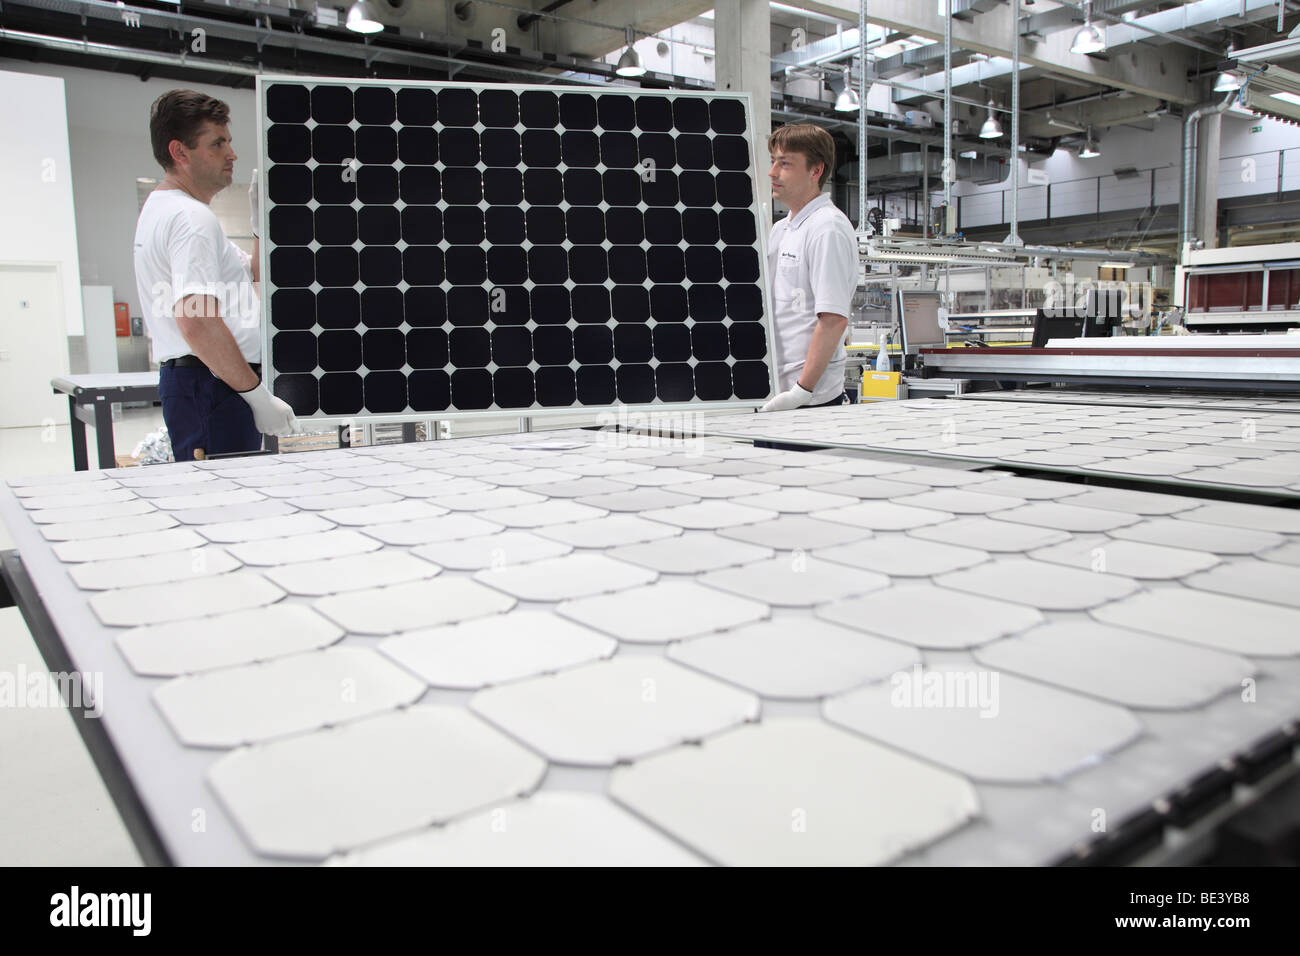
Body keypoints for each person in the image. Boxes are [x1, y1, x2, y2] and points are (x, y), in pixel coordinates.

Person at [133, 89, 297, 461]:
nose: (232, 154)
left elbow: (252, 276)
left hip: (207, 384)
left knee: (224, 504)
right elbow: (198, 321)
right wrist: (256, 396)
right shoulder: (192, 220)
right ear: (180, 152)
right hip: (212, 386)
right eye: (217, 143)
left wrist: (259, 226)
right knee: (226, 505)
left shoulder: (168, 211)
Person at [760, 124, 858, 413]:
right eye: (773, 161)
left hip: (811, 399)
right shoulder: (781, 229)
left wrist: (802, 391)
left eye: (785, 163)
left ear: (816, 171)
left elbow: (833, 319)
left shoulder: (827, 228)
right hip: (777, 389)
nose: (773, 172)